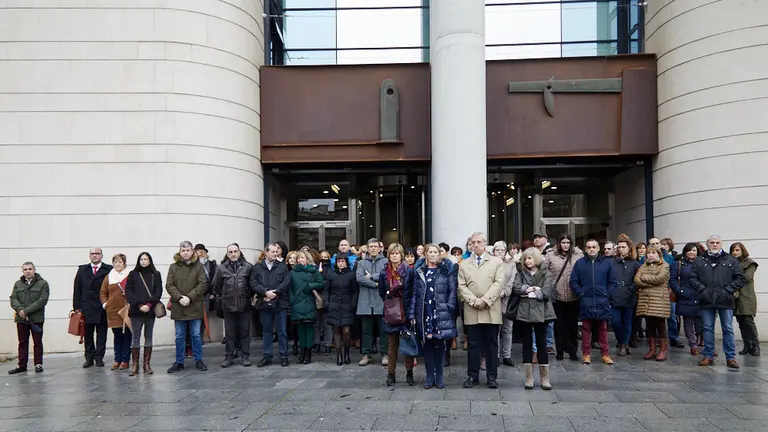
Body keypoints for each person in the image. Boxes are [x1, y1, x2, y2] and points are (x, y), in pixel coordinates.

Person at [691, 235, 746, 369]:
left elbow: (740, 278)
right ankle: (708, 355)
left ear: (721, 244)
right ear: (707, 244)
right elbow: (693, 278)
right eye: (712, 243)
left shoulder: (731, 260)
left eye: (717, 243)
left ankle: (730, 357)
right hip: (706, 299)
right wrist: (703, 290)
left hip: (725, 299)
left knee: (727, 328)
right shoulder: (699, 260)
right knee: (708, 328)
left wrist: (727, 290)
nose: (715, 245)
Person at [458, 232, 504, 389]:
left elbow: (499, 283)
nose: (476, 245)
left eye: (479, 242)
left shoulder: (496, 262)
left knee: (492, 345)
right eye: (473, 242)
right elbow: (461, 286)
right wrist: (473, 301)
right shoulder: (464, 264)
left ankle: (492, 376)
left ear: (485, 244)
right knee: (473, 345)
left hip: (491, 309)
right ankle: (473, 376)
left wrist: (485, 300)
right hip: (472, 310)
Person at [511, 247, 556, 390]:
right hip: (524, 313)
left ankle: (544, 378)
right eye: (525, 258)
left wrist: (533, 292)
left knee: (542, 344)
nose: (527, 261)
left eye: (530, 258)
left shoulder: (546, 273)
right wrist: (531, 289)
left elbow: (547, 291)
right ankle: (529, 377)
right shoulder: (520, 273)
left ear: (536, 258)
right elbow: (516, 288)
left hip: (542, 313)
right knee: (527, 344)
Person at [414, 244, 457, 389]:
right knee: (428, 345)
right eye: (430, 252)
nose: (433, 254)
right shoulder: (420, 271)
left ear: (439, 254)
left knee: (440, 345)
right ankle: (429, 376)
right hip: (425, 312)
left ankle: (439, 375)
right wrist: (412, 314)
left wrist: (449, 306)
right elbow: (415, 293)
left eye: (435, 252)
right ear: (425, 254)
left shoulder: (445, 270)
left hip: (440, 312)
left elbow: (452, 290)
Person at [570, 239, 616, 365]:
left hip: (602, 300)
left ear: (598, 248)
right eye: (589, 247)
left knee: (603, 328)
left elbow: (613, 281)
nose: (591, 249)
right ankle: (586, 354)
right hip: (586, 300)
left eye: (594, 247)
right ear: (585, 249)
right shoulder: (580, 263)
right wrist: (581, 293)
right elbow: (573, 281)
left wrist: (607, 294)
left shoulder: (607, 263)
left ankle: (605, 354)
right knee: (585, 328)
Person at [166, 241, 208, 373]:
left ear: (192, 251)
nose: (185, 253)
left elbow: (202, 284)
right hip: (179, 306)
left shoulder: (199, 266)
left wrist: (189, 297)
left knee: (196, 334)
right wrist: (180, 298)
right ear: (180, 252)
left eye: (188, 250)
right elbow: (169, 285)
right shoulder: (173, 267)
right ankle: (179, 361)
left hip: (194, 304)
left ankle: (198, 360)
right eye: (183, 250)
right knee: (179, 335)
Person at [379, 243, 416, 386]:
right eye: (392, 253)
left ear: (401, 255)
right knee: (392, 344)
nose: (394, 256)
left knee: (407, 342)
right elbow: (382, 292)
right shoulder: (384, 272)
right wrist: (391, 303)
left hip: (405, 310)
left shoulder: (408, 271)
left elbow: (413, 292)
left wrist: (410, 312)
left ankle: (409, 372)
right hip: (391, 311)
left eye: (397, 253)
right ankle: (391, 374)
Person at [251, 242, 292, 367]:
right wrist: (265, 293)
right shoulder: (257, 267)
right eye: (273, 251)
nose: (275, 254)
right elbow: (253, 283)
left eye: (276, 251)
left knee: (282, 331)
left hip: (280, 303)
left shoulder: (282, 266)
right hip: (264, 303)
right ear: (266, 252)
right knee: (266, 331)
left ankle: (283, 356)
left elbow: (286, 282)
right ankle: (267, 355)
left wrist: (275, 293)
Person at [213, 243, 253, 368]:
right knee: (230, 333)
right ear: (227, 253)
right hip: (228, 305)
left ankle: (245, 356)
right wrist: (224, 296)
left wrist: (247, 295)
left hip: (244, 304)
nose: (233, 254)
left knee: (245, 331)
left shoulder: (248, 267)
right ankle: (229, 356)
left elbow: (252, 284)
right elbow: (216, 286)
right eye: (230, 252)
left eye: (235, 251)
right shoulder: (222, 268)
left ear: (239, 252)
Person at [73, 248, 113, 368]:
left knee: (102, 333)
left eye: (97, 254)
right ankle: (89, 357)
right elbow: (77, 289)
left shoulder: (108, 269)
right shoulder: (82, 270)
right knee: (88, 334)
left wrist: (109, 304)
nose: (95, 256)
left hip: (102, 306)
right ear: (89, 256)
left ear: (101, 256)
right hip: (87, 307)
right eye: (92, 254)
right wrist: (77, 307)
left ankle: (99, 357)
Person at [125, 252, 163, 376]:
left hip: (150, 311)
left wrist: (149, 305)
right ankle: (135, 365)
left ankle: (146, 364)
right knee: (135, 337)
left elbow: (158, 291)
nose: (143, 261)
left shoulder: (155, 274)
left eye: (146, 259)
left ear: (150, 261)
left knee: (148, 336)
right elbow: (128, 292)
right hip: (136, 311)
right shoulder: (133, 274)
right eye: (141, 259)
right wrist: (140, 305)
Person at [545, 234, 582, 361]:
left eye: (568, 242)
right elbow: (545, 272)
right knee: (559, 326)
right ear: (559, 243)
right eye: (563, 242)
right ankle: (559, 351)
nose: (565, 245)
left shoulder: (578, 255)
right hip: (558, 296)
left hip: (573, 296)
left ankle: (572, 351)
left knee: (572, 326)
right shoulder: (551, 255)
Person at [9, 262, 50, 374]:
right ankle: (22, 365)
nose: (28, 271)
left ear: (34, 270)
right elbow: (13, 299)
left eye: (30, 269)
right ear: (22, 271)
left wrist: (26, 311)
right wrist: (20, 310)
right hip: (21, 319)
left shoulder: (42, 283)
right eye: (25, 269)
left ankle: (38, 364)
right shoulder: (18, 284)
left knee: (37, 342)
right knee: (22, 342)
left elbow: (42, 300)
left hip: (36, 318)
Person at [634, 245, 671, 361]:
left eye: (653, 252)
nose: (650, 255)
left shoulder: (664, 266)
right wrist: (650, 284)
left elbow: (660, 279)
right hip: (646, 301)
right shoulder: (643, 266)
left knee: (661, 326)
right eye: (648, 253)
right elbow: (636, 280)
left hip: (659, 300)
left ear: (658, 254)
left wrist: (644, 279)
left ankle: (663, 350)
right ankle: (652, 349)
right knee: (649, 325)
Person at [356, 238, 388, 366]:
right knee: (366, 330)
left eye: (376, 246)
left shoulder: (386, 262)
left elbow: (385, 277)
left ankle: (385, 354)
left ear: (380, 248)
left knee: (384, 331)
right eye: (371, 246)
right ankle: (366, 354)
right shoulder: (361, 263)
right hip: (365, 301)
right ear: (367, 248)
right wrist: (375, 284)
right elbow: (360, 278)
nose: (373, 248)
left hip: (381, 301)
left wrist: (372, 276)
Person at [290, 250, 325, 364]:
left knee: (309, 328)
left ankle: (308, 354)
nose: (300, 260)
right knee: (300, 329)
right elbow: (290, 288)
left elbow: (321, 283)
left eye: (303, 258)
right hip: (297, 303)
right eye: (299, 258)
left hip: (310, 302)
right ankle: (302, 353)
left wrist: (310, 286)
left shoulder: (314, 270)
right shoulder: (293, 272)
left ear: (307, 259)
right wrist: (292, 300)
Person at [324, 253, 359, 365]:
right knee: (336, 330)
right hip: (334, 305)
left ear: (346, 262)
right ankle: (339, 355)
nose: (340, 263)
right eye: (339, 261)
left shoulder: (351, 275)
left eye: (343, 261)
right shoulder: (331, 274)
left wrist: (353, 304)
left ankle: (347, 353)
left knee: (346, 331)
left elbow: (355, 291)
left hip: (347, 305)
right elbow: (326, 290)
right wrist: (327, 302)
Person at [99, 253, 132, 371]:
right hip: (113, 311)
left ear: (124, 263)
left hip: (126, 309)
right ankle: (117, 359)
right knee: (117, 335)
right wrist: (105, 304)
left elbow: (135, 290)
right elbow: (103, 292)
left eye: (120, 262)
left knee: (127, 336)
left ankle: (125, 360)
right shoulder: (109, 276)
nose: (118, 264)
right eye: (116, 262)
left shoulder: (130, 275)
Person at [669, 243, 702, 355]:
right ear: (685, 251)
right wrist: (680, 291)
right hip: (685, 296)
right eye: (689, 250)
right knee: (688, 322)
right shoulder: (678, 264)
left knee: (704, 322)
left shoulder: (702, 263)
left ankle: (706, 344)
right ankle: (693, 345)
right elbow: (672, 280)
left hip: (700, 295)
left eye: (694, 250)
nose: (692, 252)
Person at [610, 235, 641, 356]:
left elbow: (638, 280)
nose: (621, 249)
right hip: (615, 295)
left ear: (629, 248)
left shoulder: (635, 263)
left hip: (629, 296)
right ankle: (621, 340)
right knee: (616, 321)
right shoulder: (611, 262)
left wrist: (631, 290)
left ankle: (624, 344)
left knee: (627, 321)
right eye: (620, 247)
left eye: (624, 247)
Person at [731, 242, 760, 356]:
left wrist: (732, 282)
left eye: (737, 250)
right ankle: (747, 345)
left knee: (748, 321)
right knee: (741, 322)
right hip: (736, 297)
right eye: (733, 250)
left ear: (742, 250)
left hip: (746, 297)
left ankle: (755, 345)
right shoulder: (732, 263)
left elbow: (747, 277)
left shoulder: (750, 263)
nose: (735, 252)